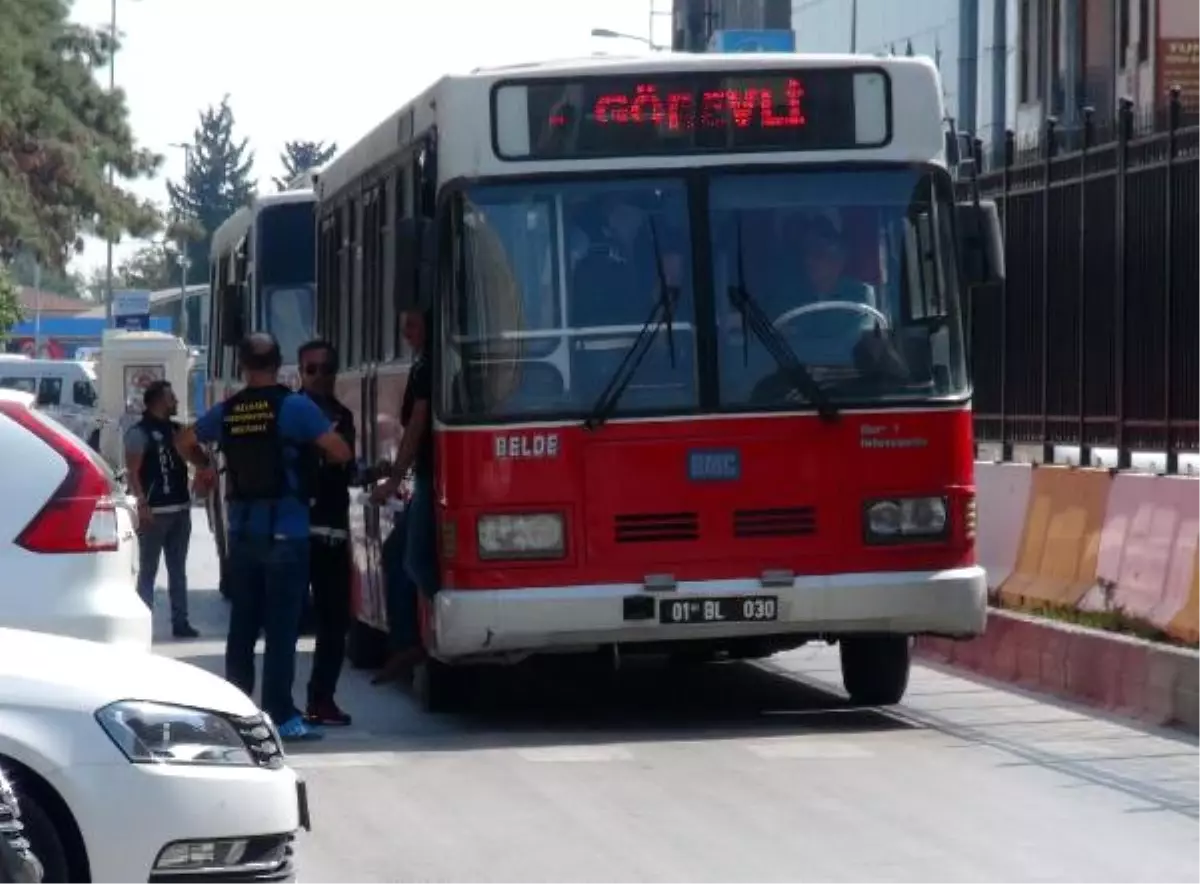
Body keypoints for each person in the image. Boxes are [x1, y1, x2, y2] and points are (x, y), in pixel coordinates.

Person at [175, 333, 352, 742]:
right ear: (281, 364)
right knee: (281, 630)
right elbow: (340, 452)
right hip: (287, 534)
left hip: (242, 532)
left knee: (242, 626)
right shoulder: (295, 407)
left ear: (241, 366)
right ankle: (281, 715)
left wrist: (204, 464)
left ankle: (235, 714)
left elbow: (183, 440)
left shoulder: (228, 411)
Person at [369, 310, 436, 682]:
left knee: (414, 560)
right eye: (403, 325)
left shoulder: (430, 367)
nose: (405, 333)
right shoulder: (423, 363)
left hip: (435, 477)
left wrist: (394, 480)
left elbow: (418, 424)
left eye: (412, 324)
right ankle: (407, 642)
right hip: (425, 474)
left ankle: (426, 639)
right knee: (397, 552)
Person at [296, 339, 357, 726]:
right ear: (299, 372)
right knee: (284, 623)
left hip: (332, 529)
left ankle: (322, 700)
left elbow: (345, 464)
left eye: (327, 369)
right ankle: (276, 708)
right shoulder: (289, 410)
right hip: (293, 529)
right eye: (311, 369)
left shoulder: (343, 416)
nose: (320, 376)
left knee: (334, 622)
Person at [124, 380, 198, 639]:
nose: (176, 401)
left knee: (178, 570)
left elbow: (195, 459)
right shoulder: (139, 432)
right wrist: (142, 504)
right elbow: (132, 473)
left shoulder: (178, 430)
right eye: (171, 398)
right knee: (148, 571)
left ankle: (181, 622)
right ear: (158, 401)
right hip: (154, 513)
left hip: (180, 509)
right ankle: (143, 625)